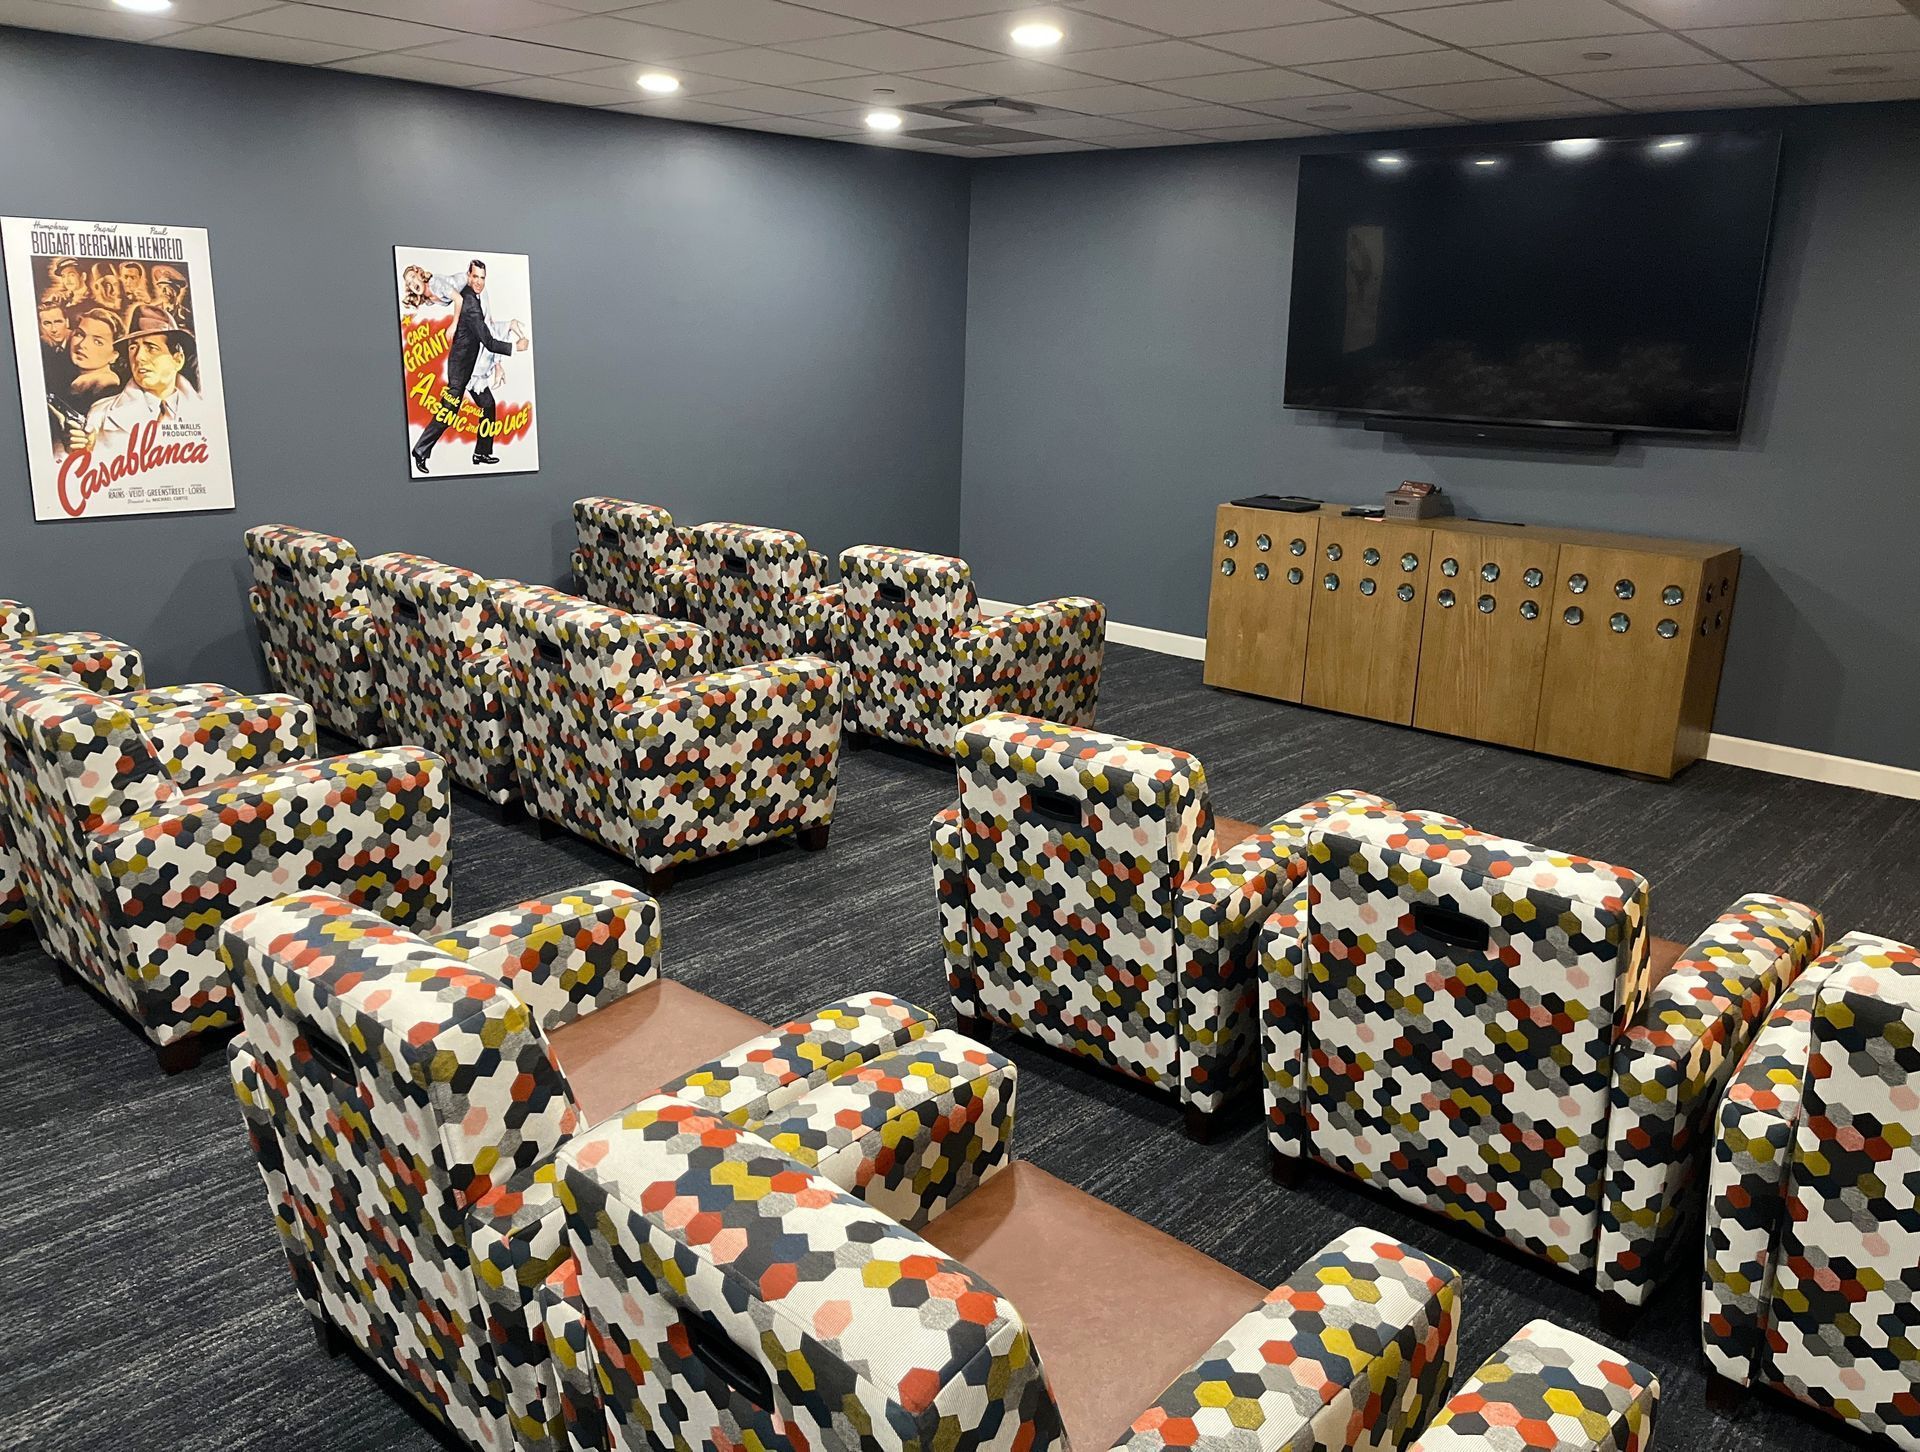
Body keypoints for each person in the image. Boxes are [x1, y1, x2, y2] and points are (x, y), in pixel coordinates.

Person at [407, 258, 527, 473]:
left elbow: (487, 329)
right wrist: (516, 347)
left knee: (488, 405)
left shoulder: (472, 298)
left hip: (471, 367)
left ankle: (482, 452)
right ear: (468, 277)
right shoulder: (470, 304)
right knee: (449, 411)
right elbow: (488, 341)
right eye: (475, 277)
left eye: (483, 278)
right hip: (461, 369)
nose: (479, 282)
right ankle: (421, 450)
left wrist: (507, 332)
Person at [65, 304, 205, 451]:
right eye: (133, 348)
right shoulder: (100, 412)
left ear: (177, 359)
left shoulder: (204, 409)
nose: (138, 357)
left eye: (151, 348)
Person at [63, 307, 125, 410]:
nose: (82, 344)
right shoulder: (70, 378)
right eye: (80, 334)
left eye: (97, 342)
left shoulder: (106, 388)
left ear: (114, 355)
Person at [37, 293, 76, 398]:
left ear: (67, 322)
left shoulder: (78, 344)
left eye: (58, 322)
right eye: (47, 323)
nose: (53, 329)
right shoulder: (43, 346)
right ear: (40, 326)